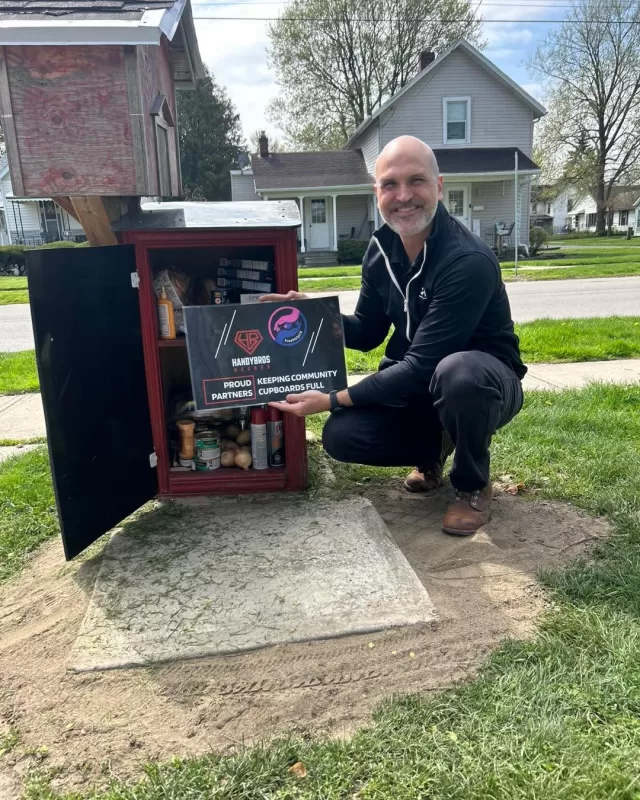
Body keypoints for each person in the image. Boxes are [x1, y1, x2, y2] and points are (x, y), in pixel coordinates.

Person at [261, 135, 526, 536]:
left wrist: (332, 398)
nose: (403, 196)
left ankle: (472, 485)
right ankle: (434, 449)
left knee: (458, 374)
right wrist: (314, 317)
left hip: (482, 383)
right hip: (422, 386)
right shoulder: (380, 251)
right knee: (341, 434)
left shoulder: (466, 260)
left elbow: (422, 367)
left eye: (416, 181)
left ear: (439, 187)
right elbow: (368, 332)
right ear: (377, 193)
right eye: (390, 184)